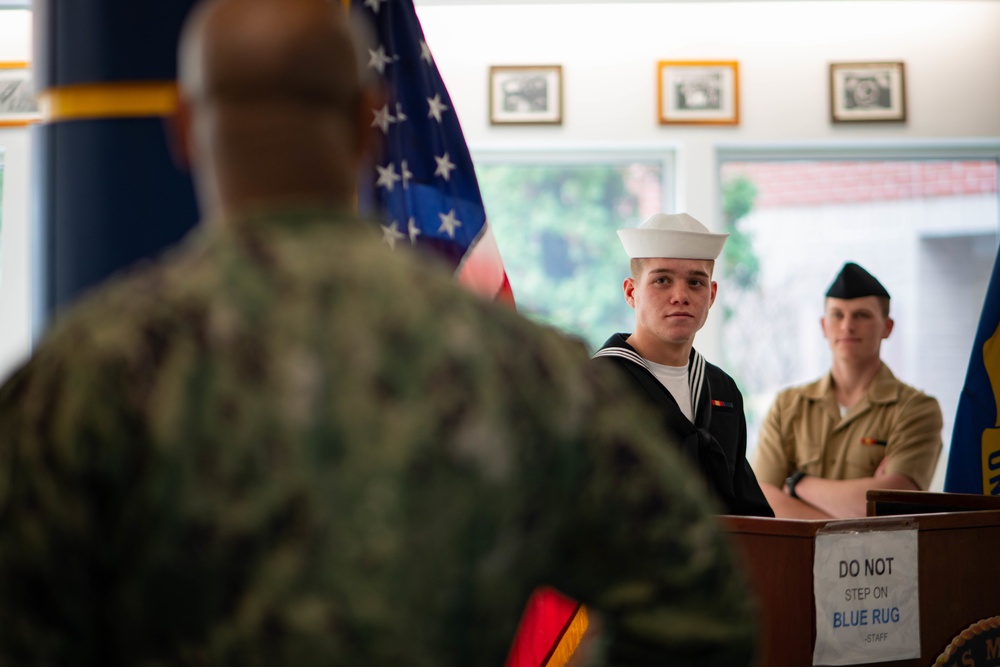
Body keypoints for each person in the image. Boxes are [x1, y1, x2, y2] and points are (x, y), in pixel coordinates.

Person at [0, 0, 759, 665]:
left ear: (184, 130)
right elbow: (700, 609)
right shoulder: (519, 368)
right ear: (371, 121)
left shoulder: (86, 371)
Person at [592, 213, 773, 518]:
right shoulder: (598, 385)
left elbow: (748, 512)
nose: (680, 296)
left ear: (712, 294)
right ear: (630, 292)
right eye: (662, 280)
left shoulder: (722, 389)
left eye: (695, 282)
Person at [752, 262, 943, 519]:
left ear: (887, 327)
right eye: (837, 315)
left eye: (862, 315)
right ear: (823, 326)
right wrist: (850, 520)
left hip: (879, 560)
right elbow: (761, 499)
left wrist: (797, 484)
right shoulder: (787, 406)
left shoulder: (916, 410)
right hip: (796, 558)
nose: (847, 326)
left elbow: (894, 503)